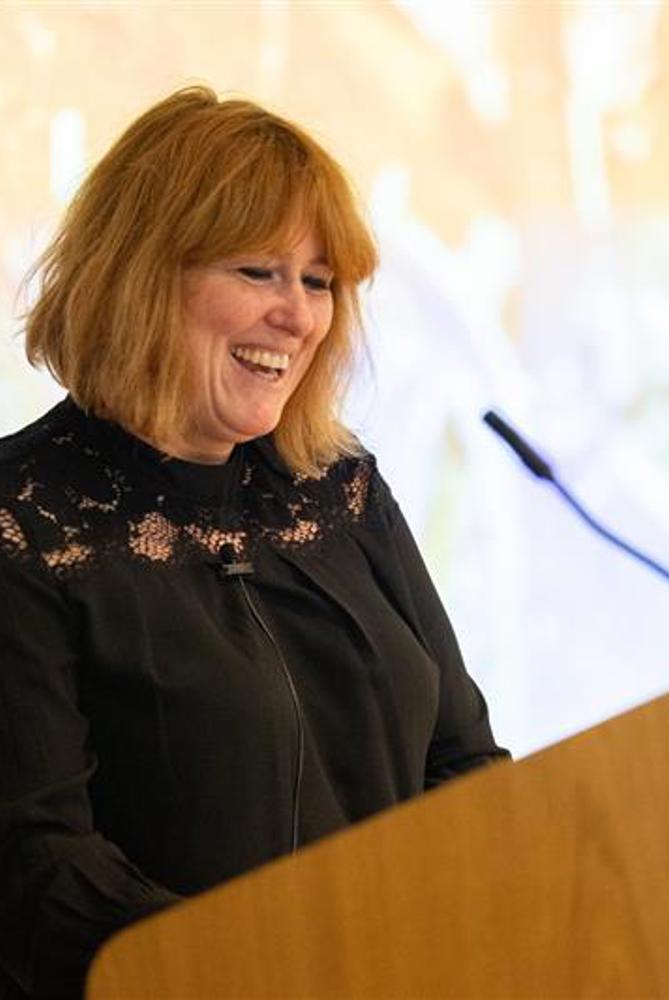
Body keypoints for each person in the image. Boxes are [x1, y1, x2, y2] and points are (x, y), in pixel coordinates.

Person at [0, 86, 508, 1000]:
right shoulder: (23, 521)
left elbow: (461, 760)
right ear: (145, 274)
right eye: (257, 273)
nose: (299, 316)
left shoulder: (340, 487)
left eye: (318, 282)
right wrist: (279, 961)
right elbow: (37, 869)